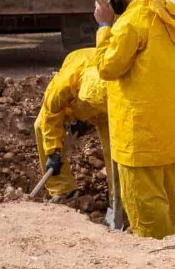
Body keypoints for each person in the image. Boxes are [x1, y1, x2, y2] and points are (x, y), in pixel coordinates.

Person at [93, 0, 175, 239]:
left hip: (140, 138)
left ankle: (163, 266)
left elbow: (108, 67)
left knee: (148, 212)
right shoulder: (164, 9)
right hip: (170, 133)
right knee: (170, 203)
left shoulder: (130, 23)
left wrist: (105, 25)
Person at [33, 46, 122, 224]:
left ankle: (119, 199)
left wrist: (87, 119)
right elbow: (51, 119)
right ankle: (62, 188)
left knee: (116, 150)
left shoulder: (115, 84)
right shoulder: (61, 88)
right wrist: (53, 151)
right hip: (79, 83)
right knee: (41, 126)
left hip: (108, 108)